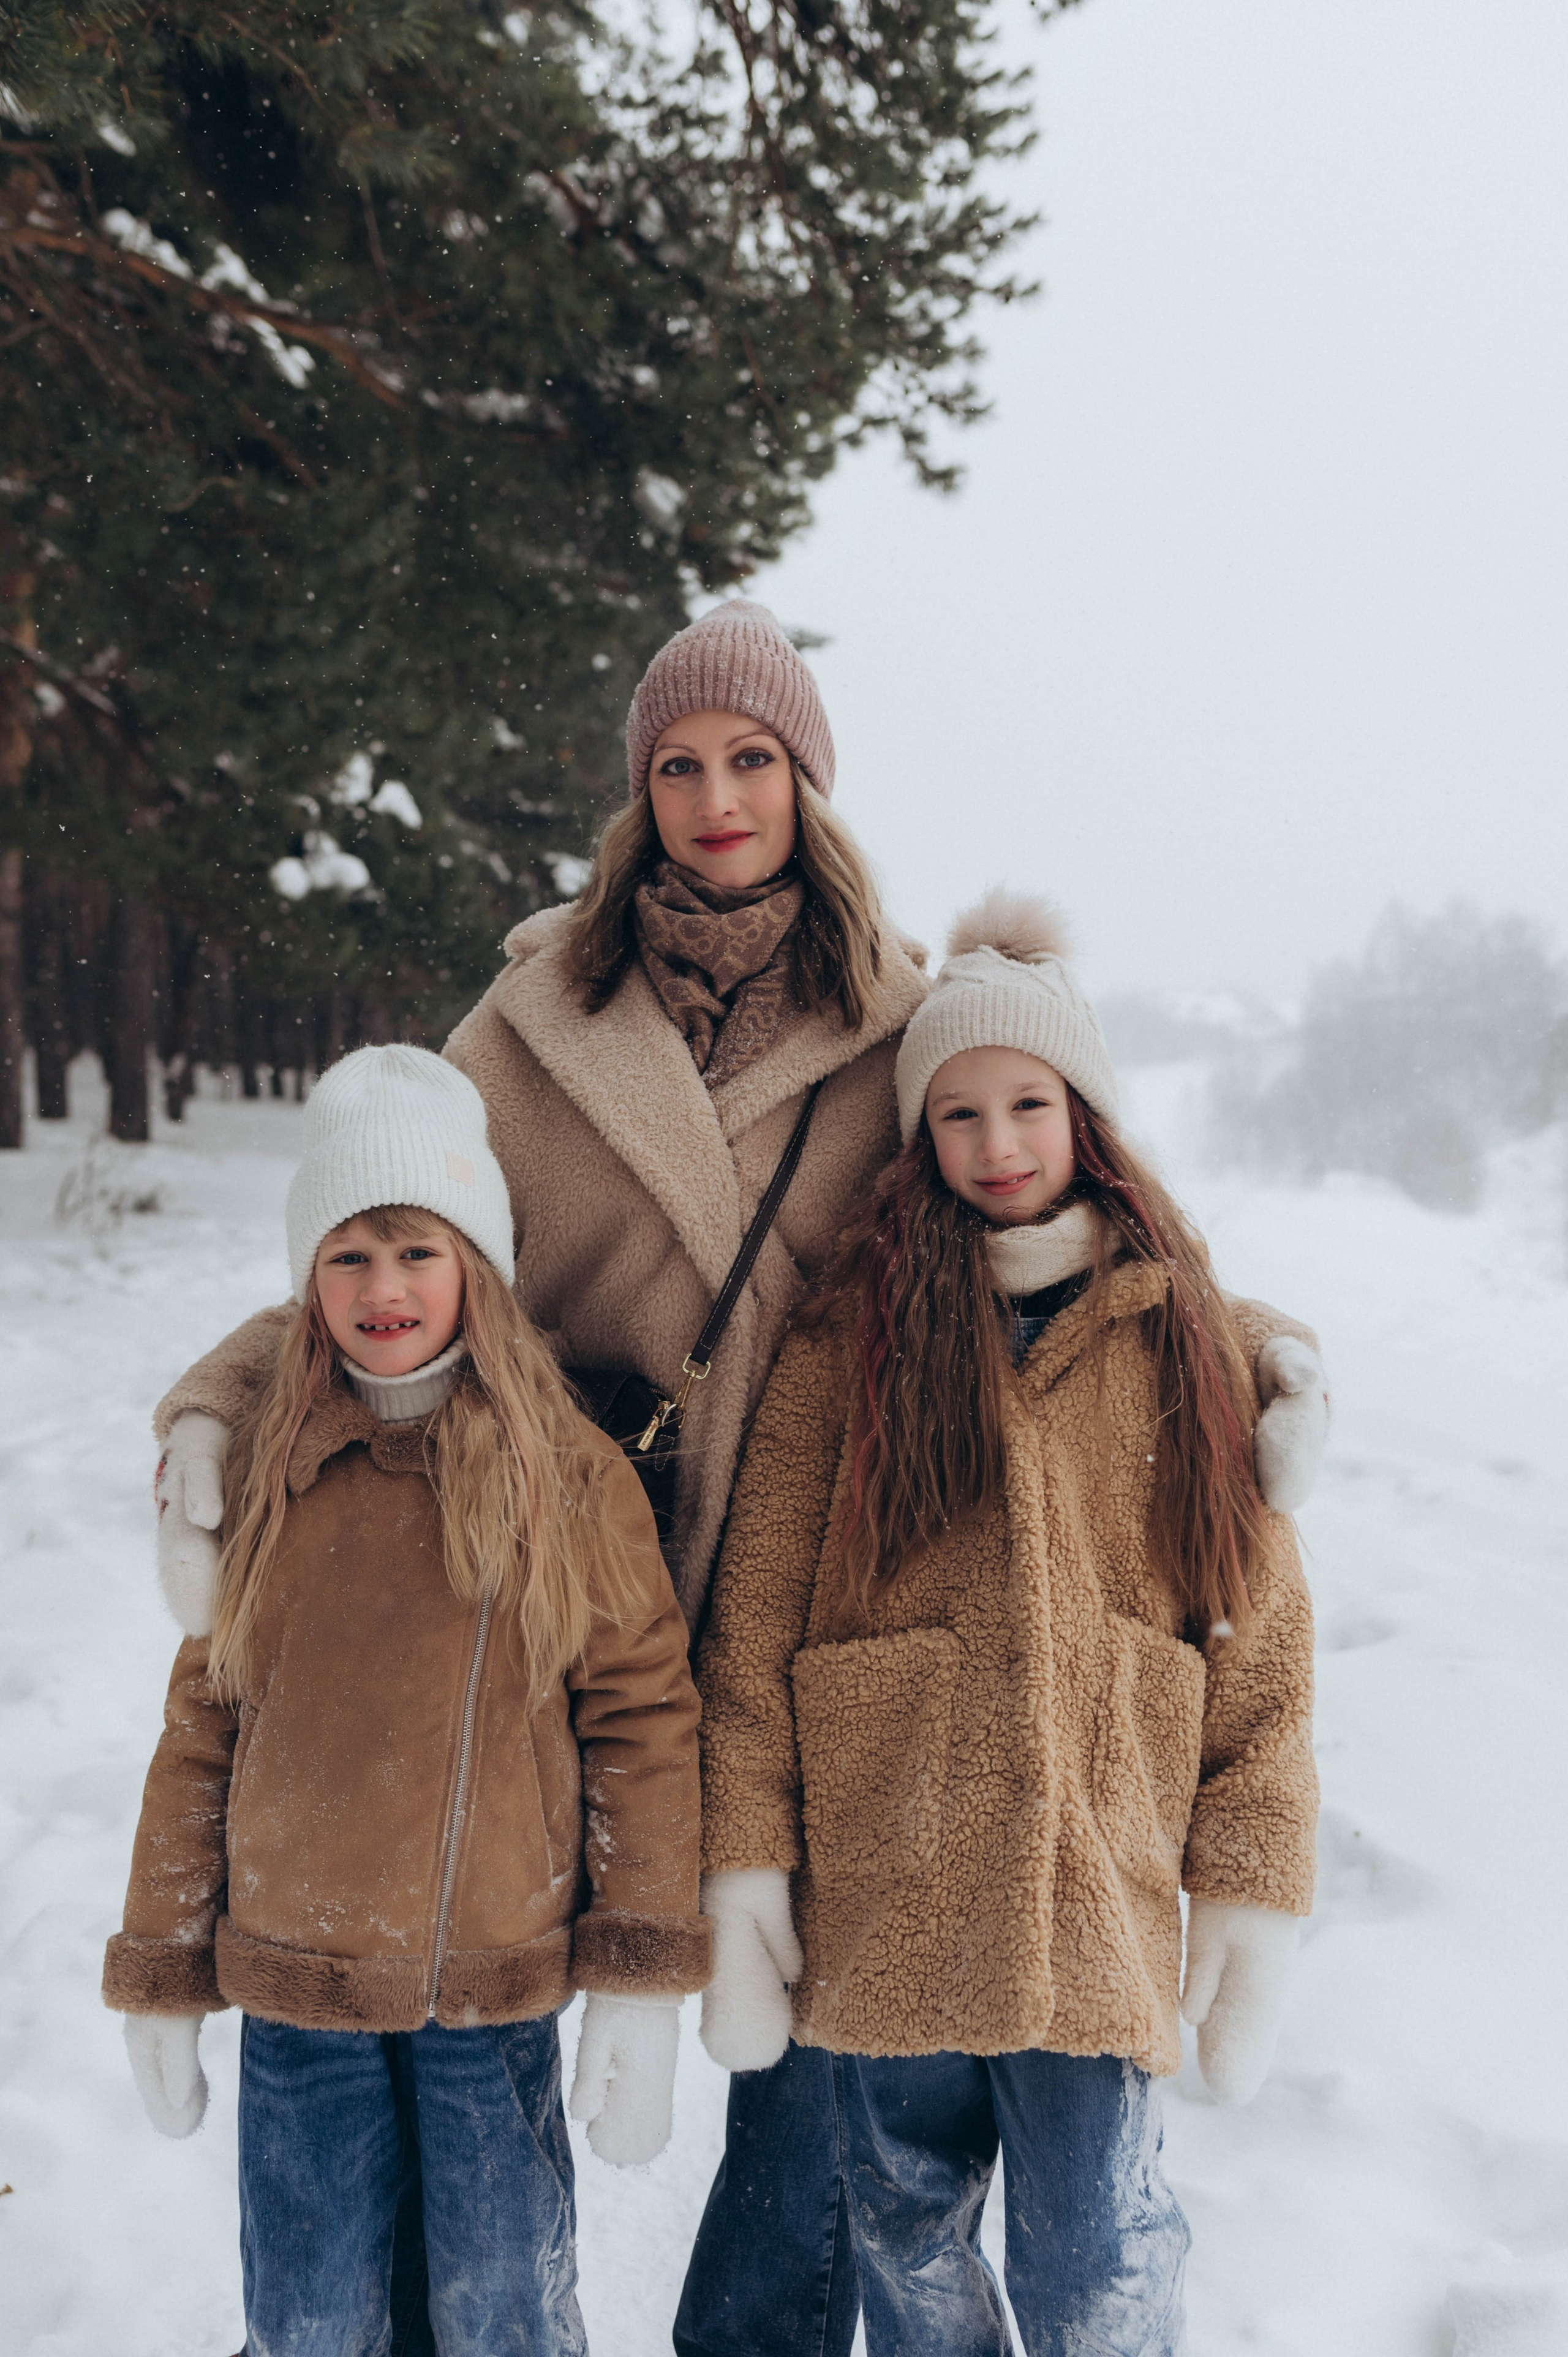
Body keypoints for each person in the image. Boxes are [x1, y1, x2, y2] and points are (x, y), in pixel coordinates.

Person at [145, 603, 1328, 2351]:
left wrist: (1258, 1349)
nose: (717, 800)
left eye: (753, 759)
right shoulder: (527, 1028)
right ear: (637, 794)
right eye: (680, 766)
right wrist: (221, 1400)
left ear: (808, 783)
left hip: (828, 1583)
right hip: (577, 1575)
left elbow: (1074, 1208)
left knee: (834, 2054)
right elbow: (389, 1237)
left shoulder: (906, 1023)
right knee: (471, 2010)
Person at [693, 891, 1320, 2356]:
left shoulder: (1184, 1340)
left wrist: (1248, 1871)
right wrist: (747, 1860)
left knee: (1097, 2246)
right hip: (887, 1880)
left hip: (1092, 1882)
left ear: (1083, 1115)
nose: (996, 1143)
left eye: (1028, 1103)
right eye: (957, 1113)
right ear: (919, 1136)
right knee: (902, 2232)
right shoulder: (846, 1337)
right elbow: (756, 1623)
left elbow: (1261, 1642)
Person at [104, 1046, 708, 2356]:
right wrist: (162, 1962)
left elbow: (641, 1721)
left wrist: (640, 1972)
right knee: (311, 2315)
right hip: (298, 1990)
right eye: (349, 1256)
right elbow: (202, 1727)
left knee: (502, 2310)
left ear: (476, 1265)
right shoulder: (268, 1473)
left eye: (418, 1252)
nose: (384, 1289)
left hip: (488, 1992)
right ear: (307, 1278)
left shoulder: (566, 1475)